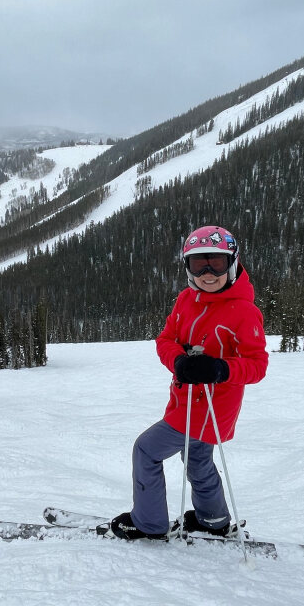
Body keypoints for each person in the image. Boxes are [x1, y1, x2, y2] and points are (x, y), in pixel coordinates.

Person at [110, 225, 269, 540]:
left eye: (217, 263)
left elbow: (257, 366)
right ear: (188, 267)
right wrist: (179, 361)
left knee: (146, 450)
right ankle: (213, 519)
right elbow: (165, 339)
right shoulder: (186, 299)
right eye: (199, 265)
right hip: (185, 402)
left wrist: (220, 369)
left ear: (232, 263)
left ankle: (149, 524)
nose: (208, 273)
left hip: (210, 407)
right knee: (197, 459)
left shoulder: (244, 312)